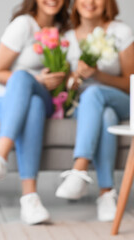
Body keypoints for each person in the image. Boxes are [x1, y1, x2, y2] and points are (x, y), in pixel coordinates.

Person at [0, 0, 70, 225]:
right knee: (30, 96)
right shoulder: (24, 25)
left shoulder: (67, 32)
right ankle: (30, 198)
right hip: (1, 101)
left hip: (48, 97)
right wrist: (37, 79)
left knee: (32, 94)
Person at [55, 0, 134, 222]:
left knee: (94, 94)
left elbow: (131, 83)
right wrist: (75, 78)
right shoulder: (67, 37)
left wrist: (97, 76)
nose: (90, 2)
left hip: (121, 99)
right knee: (105, 115)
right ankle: (106, 193)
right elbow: (66, 85)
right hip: (85, 107)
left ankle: (79, 169)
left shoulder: (121, 32)